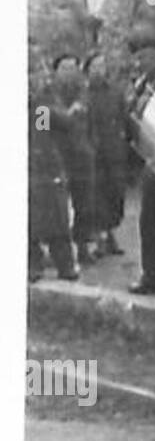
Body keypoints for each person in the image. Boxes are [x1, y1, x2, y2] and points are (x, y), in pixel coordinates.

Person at [125, 32, 155, 297]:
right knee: (150, 224)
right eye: (139, 57)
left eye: (147, 56)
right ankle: (151, 276)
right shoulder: (138, 84)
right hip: (151, 161)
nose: (142, 61)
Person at [28, 52, 78, 282]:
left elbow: (49, 128)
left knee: (57, 218)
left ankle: (64, 265)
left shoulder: (43, 101)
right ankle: (33, 265)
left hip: (46, 166)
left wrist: (44, 108)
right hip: (31, 165)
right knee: (29, 221)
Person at [49, 53, 98, 266]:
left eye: (73, 68)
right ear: (56, 72)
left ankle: (83, 247)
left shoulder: (85, 94)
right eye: (64, 68)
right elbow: (41, 125)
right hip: (56, 157)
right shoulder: (47, 96)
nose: (69, 73)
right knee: (55, 207)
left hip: (82, 155)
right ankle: (56, 252)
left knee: (84, 204)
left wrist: (92, 147)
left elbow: (92, 123)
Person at [84, 50, 129, 257]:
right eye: (95, 66)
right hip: (92, 154)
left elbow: (125, 119)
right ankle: (101, 239)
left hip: (115, 152)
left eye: (102, 66)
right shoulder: (83, 94)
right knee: (97, 198)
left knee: (116, 196)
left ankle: (110, 234)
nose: (100, 70)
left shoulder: (116, 92)